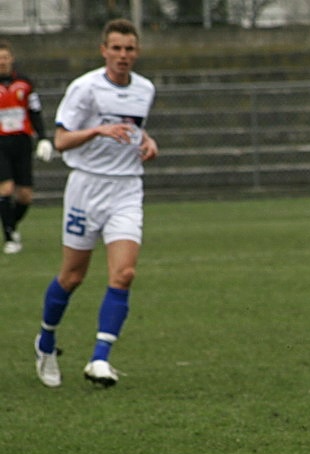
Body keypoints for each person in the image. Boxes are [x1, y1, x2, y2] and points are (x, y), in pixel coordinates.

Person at [34, 19, 158, 389]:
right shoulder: (84, 88)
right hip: (86, 188)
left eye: (129, 49)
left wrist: (147, 141)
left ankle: (100, 359)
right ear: (104, 50)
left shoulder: (145, 89)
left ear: (137, 52)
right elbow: (60, 141)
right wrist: (97, 130)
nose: (123, 56)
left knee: (124, 274)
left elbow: (132, 126)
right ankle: (45, 341)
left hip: (126, 189)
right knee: (72, 276)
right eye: (116, 48)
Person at [0, 39, 54, 255]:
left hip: (22, 142)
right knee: (6, 188)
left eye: (5, 57)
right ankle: (10, 236)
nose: (2, 62)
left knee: (25, 196)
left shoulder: (25, 83)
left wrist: (43, 138)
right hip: (0, 143)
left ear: (11, 59)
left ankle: (10, 223)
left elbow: (35, 112)